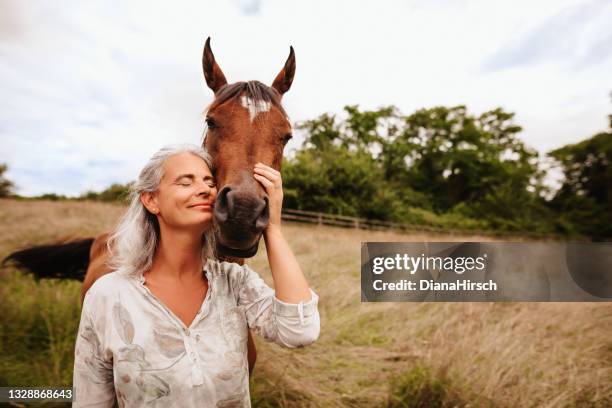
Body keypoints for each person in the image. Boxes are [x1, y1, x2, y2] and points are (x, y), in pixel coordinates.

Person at [71, 144, 320, 407]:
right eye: (185, 182)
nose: (204, 189)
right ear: (151, 200)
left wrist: (272, 228)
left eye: (209, 182)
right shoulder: (107, 295)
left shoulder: (234, 282)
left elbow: (299, 332)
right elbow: (89, 399)